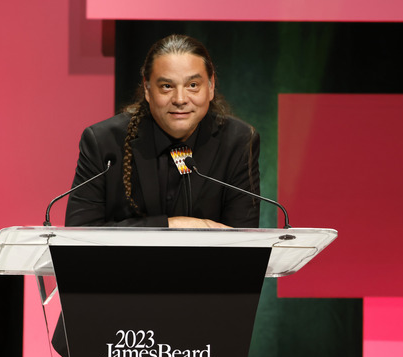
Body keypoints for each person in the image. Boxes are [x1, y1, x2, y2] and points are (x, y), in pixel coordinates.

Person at [64, 34, 260, 229]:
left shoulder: (238, 142)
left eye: (193, 85)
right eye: (167, 86)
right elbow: (78, 233)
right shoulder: (103, 142)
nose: (180, 99)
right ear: (148, 89)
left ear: (211, 86)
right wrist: (169, 225)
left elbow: (245, 239)